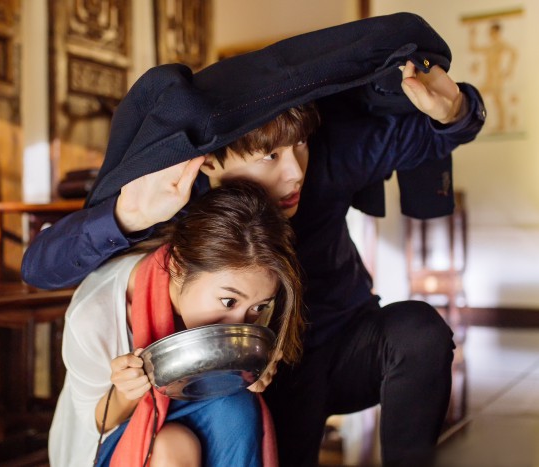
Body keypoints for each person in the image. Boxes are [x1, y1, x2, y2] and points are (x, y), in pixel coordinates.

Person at [28, 13, 487, 466]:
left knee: (419, 333)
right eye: (269, 155)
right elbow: (40, 268)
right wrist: (127, 215)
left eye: (300, 145)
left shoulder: (330, 159)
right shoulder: (178, 202)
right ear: (210, 162)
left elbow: (431, 134)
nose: (295, 173)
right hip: (263, 376)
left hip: (345, 342)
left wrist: (455, 112)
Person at [48, 180, 306, 467]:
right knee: (175, 444)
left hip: (198, 409)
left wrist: (252, 371)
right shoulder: (95, 313)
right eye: (228, 302)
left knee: (235, 408)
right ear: (178, 266)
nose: (240, 324)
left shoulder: (248, 289)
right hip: (103, 440)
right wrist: (125, 393)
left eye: (258, 307)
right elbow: (96, 423)